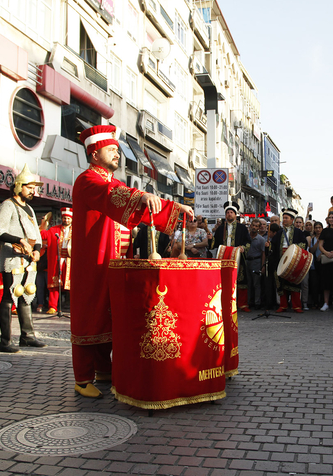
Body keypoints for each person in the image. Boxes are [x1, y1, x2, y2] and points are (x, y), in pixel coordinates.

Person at [70, 125, 192, 398]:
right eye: (111, 149)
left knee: (109, 315)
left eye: (117, 149)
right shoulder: (88, 180)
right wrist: (140, 197)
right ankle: (82, 378)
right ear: (94, 154)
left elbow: (140, 206)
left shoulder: (114, 183)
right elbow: (117, 198)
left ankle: (104, 370)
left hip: (114, 263)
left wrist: (175, 209)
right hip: (93, 263)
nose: (117, 154)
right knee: (90, 315)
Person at [0, 165, 47, 353]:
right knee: (9, 297)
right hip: (12, 258)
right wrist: (19, 240)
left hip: (29, 259)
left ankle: (27, 336)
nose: (33, 191)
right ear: (18, 186)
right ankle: (5, 341)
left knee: (27, 295)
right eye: (29, 187)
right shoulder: (8, 205)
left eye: (34, 187)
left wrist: (37, 250)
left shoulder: (29, 208)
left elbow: (37, 236)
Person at [212, 201, 251, 312]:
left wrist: (243, 247)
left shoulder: (242, 228)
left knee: (241, 279)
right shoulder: (220, 229)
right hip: (224, 257)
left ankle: (242, 304)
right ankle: (225, 303)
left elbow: (248, 242)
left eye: (231, 212)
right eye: (227, 212)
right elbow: (214, 243)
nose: (229, 214)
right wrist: (210, 238)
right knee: (224, 280)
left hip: (237, 256)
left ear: (235, 214)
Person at [271, 208, 307, 312]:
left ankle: (296, 306)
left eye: (286, 218)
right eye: (283, 218)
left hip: (293, 260)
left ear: (292, 220)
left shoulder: (298, 232)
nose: (284, 220)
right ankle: (283, 305)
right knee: (282, 283)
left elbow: (304, 244)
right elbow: (273, 245)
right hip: (281, 259)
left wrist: (293, 249)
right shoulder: (279, 233)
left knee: (294, 282)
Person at [39, 207, 73, 314]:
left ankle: (74, 307)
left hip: (71, 261)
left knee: (73, 284)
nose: (66, 220)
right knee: (55, 284)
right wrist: (44, 222)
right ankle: (53, 306)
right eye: (64, 218)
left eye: (68, 218)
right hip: (57, 260)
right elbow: (42, 234)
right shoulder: (54, 230)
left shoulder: (78, 230)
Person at [244, 218, 265, 310]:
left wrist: (263, 265)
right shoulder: (246, 236)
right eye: (253, 225)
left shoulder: (261, 239)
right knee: (247, 283)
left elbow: (263, 253)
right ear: (250, 225)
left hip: (256, 262)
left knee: (256, 283)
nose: (254, 227)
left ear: (259, 228)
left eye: (257, 226)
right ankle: (248, 302)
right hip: (246, 261)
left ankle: (257, 302)